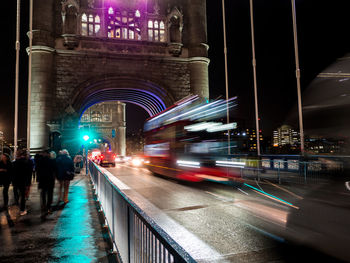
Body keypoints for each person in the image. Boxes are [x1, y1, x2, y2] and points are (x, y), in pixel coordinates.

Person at [12, 149, 33, 216]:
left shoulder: (15, 162)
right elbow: (29, 173)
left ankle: (17, 203)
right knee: (23, 195)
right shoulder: (29, 162)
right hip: (24, 181)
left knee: (17, 194)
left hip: (16, 181)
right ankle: (22, 210)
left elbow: (13, 173)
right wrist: (28, 183)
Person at [36, 150, 56, 217]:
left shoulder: (39, 161)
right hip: (50, 180)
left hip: (42, 180)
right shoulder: (52, 161)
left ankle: (44, 206)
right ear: (48, 154)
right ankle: (48, 207)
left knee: (43, 194)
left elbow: (37, 170)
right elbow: (54, 170)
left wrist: (38, 179)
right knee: (50, 194)